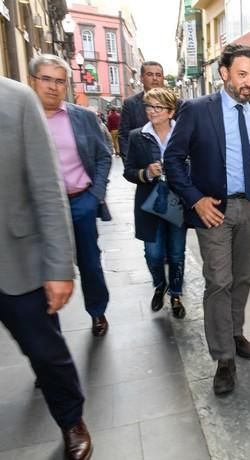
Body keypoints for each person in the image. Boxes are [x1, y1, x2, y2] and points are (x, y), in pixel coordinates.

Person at [165, 44, 250, 396]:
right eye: (242, 74)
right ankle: (224, 357)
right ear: (223, 73)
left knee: (242, 279)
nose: (249, 82)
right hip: (214, 210)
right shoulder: (197, 110)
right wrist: (195, 200)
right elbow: (173, 160)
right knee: (219, 282)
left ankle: (235, 332)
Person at [0, 76, 93, 460]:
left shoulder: (16, 101)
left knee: (45, 350)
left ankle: (71, 419)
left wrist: (59, 267)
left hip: (15, 258)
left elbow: (47, 188)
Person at [29, 54, 112, 337]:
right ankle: (49, 333)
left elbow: (104, 156)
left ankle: (97, 311)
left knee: (89, 262)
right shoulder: (21, 119)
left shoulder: (83, 117)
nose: (53, 86)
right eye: (46, 79)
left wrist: (95, 196)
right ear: (33, 81)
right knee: (40, 270)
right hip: (36, 211)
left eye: (60, 81)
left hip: (80, 203)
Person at [123, 88, 187, 319]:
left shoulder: (182, 134)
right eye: (149, 106)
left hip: (177, 201)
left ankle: (176, 294)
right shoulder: (137, 136)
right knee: (153, 253)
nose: (152, 111)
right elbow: (128, 172)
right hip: (149, 203)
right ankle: (160, 284)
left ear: (170, 111)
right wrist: (146, 172)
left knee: (177, 253)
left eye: (158, 107)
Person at [119, 61, 166, 158]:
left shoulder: (176, 103)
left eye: (158, 75)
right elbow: (124, 136)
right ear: (141, 78)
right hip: (141, 165)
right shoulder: (130, 104)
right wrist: (129, 165)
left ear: (163, 78)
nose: (155, 78)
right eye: (149, 74)